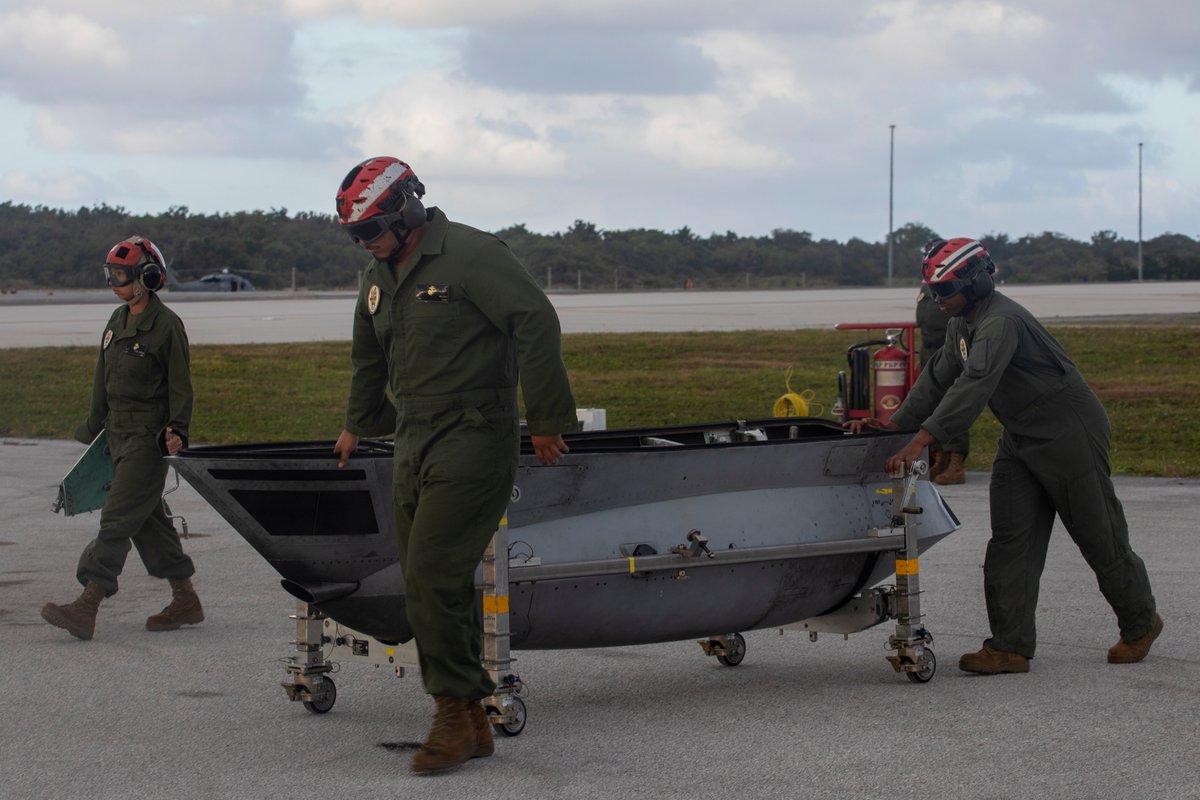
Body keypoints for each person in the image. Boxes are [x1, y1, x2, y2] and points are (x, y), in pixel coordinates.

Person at [331, 156, 578, 773]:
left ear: (408, 210)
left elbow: (535, 319)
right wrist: (358, 422)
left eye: (372, 230)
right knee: (425, 579)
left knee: (435, 574)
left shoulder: (471, 255)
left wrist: (546, 418)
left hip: (474, 434)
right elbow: (368, 353)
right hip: (415, 437)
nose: (367, 245)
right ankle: (471, 718)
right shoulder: (378, 273)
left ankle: (450, 711)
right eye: (357, 237)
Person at [845, 237, 1161, 675]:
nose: (939, 300)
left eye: (946, 289)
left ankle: (1141, 623)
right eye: (934, 291)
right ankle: (1009, 647)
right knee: (1011, 539)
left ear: (976, 282)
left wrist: (923, 440)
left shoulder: (1001, 322)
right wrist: (894, 424)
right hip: (1021, 435)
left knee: (1098, 533)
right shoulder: (962, 323)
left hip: (1068, 431)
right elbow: (937, 379)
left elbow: (974, 385)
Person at [41, 237, 203, 641]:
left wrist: (177, 429)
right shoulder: (117, 320)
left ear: (147, 277)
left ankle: (88, 603)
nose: (114, 282)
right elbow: (103, 378)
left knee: (116, 518)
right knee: (148, 522)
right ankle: (185, 599)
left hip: (148, 440)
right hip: (117, 434)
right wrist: (93, 427)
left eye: (121, 275)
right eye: (110, 274)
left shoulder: (167, 326)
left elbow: (182, 387)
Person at [915, 285, 969, 484]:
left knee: (953, 402)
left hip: (948, 349)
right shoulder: (927, 286)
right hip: (929, 349)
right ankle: (940, 456)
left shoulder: (951, 284)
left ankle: (956, 459)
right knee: (933, 403)